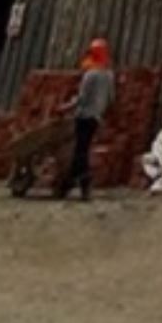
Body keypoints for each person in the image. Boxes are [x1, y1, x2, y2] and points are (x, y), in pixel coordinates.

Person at [56, 37, 114, 201]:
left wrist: (65, 107)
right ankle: (77, 184)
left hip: (83, 117)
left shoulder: (90, 75)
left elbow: (81, 98)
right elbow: (111, 98)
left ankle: (75, 182)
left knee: (80, 151)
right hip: (96, 117)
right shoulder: (109, 75)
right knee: (82, 149)